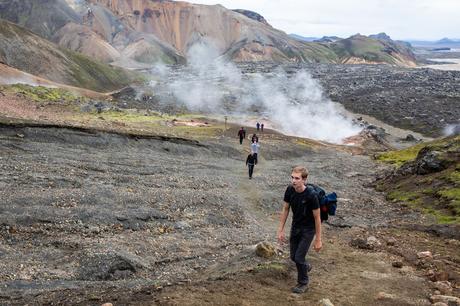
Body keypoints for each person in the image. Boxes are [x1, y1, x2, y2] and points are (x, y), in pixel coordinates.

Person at [277, 166, 322, 294]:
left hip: (308, 230)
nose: (293, 181)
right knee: (293, 257)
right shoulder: (290, 190)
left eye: (297, 178)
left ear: (304, 180)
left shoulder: (311, 195)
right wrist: (280, 230)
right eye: (292, 177)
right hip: (295, 227)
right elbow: (285, 209)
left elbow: (317, 218)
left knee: (299, 257)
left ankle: (303, 283)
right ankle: (306, 267)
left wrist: (318, 240)